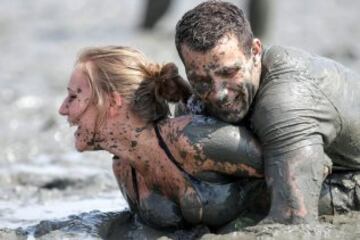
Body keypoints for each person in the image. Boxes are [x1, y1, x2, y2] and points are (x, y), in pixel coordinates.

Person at [175, 0, 360, 224]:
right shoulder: (194, 102)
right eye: (200, 80)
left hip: (353, 177)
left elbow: (294, 221)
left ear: (255, 51)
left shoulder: (286, 102)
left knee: (235, 205)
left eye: (229, 72)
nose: (218, 93)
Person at [58, 45, 269, 233]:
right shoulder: (123, 169)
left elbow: (288, 179)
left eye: (73, 97)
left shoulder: (193, 140)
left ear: (113, 102)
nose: (62, 109)